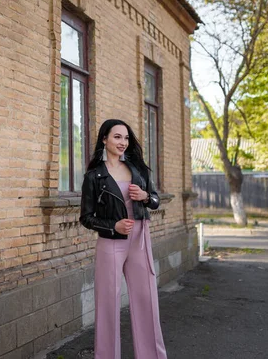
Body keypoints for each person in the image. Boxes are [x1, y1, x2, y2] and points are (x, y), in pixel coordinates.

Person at [80, 119, 167, 359]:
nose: (123, 142)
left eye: (126, 138)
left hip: (140, 238)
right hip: (111, 242)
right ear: (104, 139)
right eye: (117, 137)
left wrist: (145, 196)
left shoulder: (138, 169)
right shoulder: (94, 176)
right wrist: (113, 225)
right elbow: (86, 218)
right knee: (107, 302)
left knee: (146, 299)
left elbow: (156, 200)